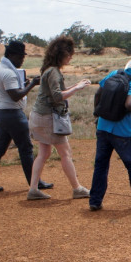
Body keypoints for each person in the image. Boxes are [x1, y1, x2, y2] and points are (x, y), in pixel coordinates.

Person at [88, 51, 131, 211]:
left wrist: (97, 114)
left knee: (100, 165)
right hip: (122, 131)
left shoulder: (115, 73)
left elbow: (98, 93)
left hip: (103, 127)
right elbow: (129, 104)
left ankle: (95, 201)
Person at [0, 41, 53, 193]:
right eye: (20, 56)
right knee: (26, 149)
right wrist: (32, 84)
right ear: (11, 55)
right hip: (12, 114)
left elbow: (13, 91)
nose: (22, 60)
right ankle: (35, 183)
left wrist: (24, 85)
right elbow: (15, 96)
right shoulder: (8, 72)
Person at [27, 36, 91, 200]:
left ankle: (33, 188)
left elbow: (55, 93)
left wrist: (76, 86)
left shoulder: (48, 70)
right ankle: (77, 188)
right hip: (49, 118)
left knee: (43, 153)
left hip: (38, 117)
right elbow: (57, 96)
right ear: (61, 54)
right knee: (65, 152)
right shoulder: (54, 72)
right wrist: (77, 88)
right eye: (69, 54)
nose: (71, 57)